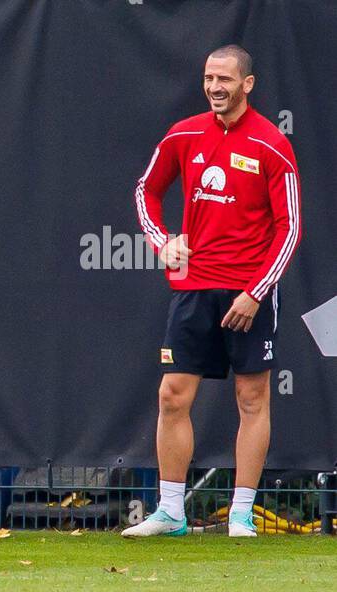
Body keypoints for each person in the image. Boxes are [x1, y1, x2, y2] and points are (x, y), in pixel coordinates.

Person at [126, 45, 301, 538]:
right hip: (194, 288)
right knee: (172, 397)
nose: (214, 87)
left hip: (249, 292)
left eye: (224, 79)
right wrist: (163, 242)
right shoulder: (184, 133)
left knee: (252, 399)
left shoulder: (271, 144)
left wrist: (257, 292)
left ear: (248, 84)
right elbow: (146, 190)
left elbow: (289, 229)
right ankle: (170, 512)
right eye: (208, 78)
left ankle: (241, 514)